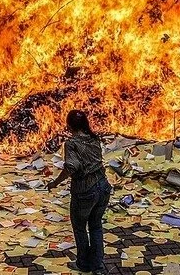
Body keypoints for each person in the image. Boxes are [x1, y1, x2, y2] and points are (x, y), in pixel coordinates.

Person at [47, 110, 111, 274]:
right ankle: (97, 265)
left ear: (69, 126)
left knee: (80, 228)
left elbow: (72, 167)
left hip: (85, 190)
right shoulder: (94, 138)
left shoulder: (72, 144)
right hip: (103, 186)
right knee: (96, 226)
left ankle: (83, 264)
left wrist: (55, 182)